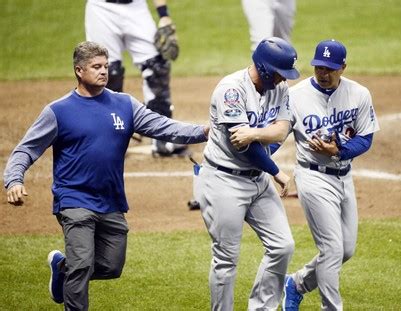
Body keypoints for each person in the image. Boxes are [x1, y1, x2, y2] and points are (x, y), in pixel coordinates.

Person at [3, 41, 208, 311]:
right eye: (96, 67)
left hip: (110, 200)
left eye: (105, 66)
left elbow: (163, 127)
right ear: (79, 70)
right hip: (73, 199)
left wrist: (203, 131)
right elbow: (26, 149)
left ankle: (63, 269)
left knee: (111, 266)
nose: (103, 71)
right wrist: (14, 180)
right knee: (83, 265)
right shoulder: (58, 111)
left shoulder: (124, 104)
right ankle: (73, 276)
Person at [231, 39, 380, 310]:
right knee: (332, 250)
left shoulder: (359, 94)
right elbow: (276, 138)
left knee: (346, 250)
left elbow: (366, 137)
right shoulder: (295, 96)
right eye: (319, 67)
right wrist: (259, 162)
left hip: (345, 177)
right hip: (313, 178)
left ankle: (296, 283)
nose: (323, 73)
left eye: (330, 69)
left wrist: (339, 151)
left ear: (343, 68)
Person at [193, 37, 300, 310]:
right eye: (279, 73)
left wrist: (255, 133)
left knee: (282, 246)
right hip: (224, 181)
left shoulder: (281, 87)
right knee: (226, 259)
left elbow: (282, 130)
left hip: (257, 179)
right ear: (264, 68)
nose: (281, 80)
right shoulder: (231, 90)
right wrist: (277, 172)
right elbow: (242, 150)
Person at [85, 0, 187, 157]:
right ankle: (109, 135)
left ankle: (162, 137)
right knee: (107, 72)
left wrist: (163, 14)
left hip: (136, 8)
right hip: (100, 9)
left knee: (157, 66)